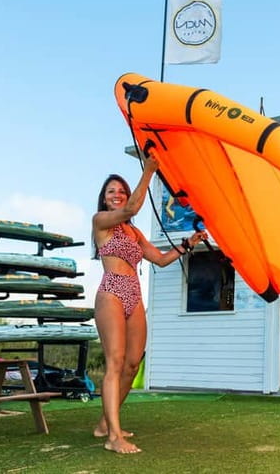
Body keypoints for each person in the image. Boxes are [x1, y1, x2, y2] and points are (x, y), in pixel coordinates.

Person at [92, 157, 206, 454]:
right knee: (114, 363)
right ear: (104, 199)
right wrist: (149, 171)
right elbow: (131, 209)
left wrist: (189, 243)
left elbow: (160, 259)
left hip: (134, 293)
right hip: (112, 291)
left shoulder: (134, 233)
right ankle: (114, 438)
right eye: (111, 192)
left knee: (132, 364)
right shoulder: (101, 222)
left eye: (121, 191)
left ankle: (106, 422)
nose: (117, 195)